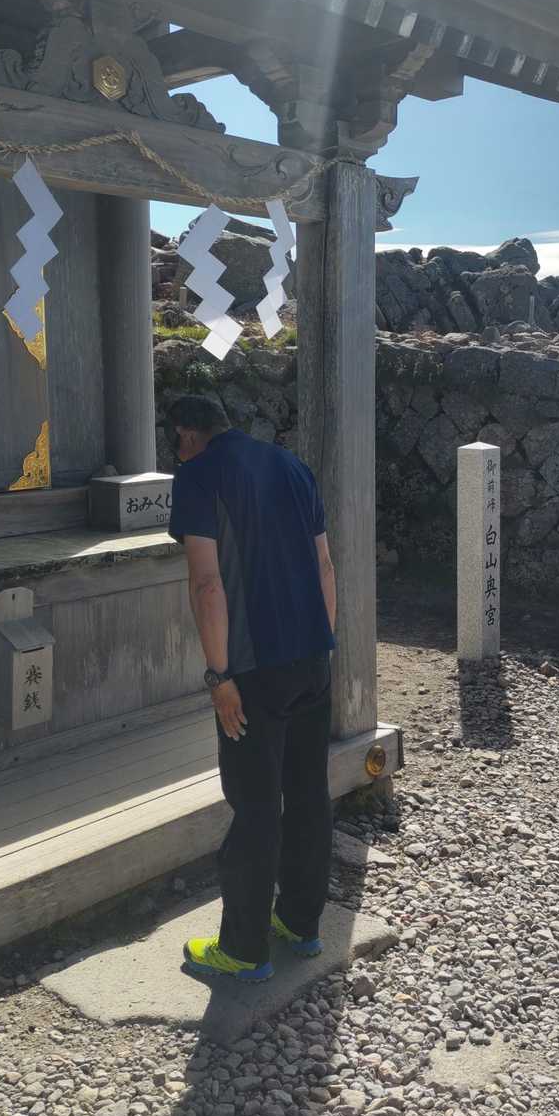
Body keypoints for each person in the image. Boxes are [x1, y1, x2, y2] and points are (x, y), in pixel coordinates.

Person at [166, 393, 337, 983]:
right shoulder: (292, 466)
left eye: (176, 444)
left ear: (187, 435)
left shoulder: (198, 476)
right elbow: (324, 566)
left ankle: (243, 948)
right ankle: (302, 922)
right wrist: (323, 648)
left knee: (256, 805)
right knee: (308, 792)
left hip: (253, 670)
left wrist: (220, 676)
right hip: (312, 657)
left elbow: (207, 583)